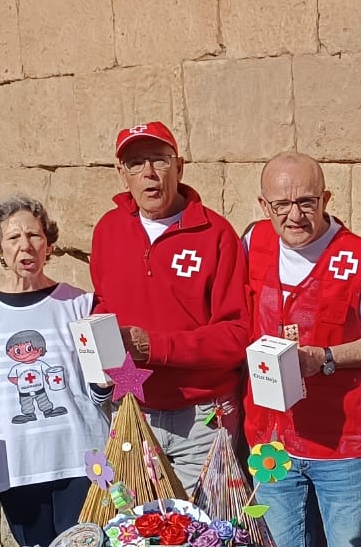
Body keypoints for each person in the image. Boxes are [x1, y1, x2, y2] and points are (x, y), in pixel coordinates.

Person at [87, 121, 248, 487]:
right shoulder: (109, 230)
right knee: (135, 532)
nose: (148, 173)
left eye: (159, 160)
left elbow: (237, 335)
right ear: (121, 173)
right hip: (132, 410)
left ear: (179, 166)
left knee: (205, 533)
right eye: (135, 162)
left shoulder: (216, 235)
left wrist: (155, 346)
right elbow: (104, 305)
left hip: (204, 416)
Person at [241, 152, 361, 547]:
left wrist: (327, 358)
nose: (295, 215)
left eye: (307, 202)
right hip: (270, 439)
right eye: (282, 205)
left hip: (342, 446)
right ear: (265, 207)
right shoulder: (253, 242)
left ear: (327, 199)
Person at [0, 196, 111, 547]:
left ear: (48, 244)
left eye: (35, 236)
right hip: (15, 463)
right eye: (13, 238)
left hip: (80, 459)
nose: (26, 246)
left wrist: (106, 381)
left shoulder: (80, 303)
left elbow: (105, 384)